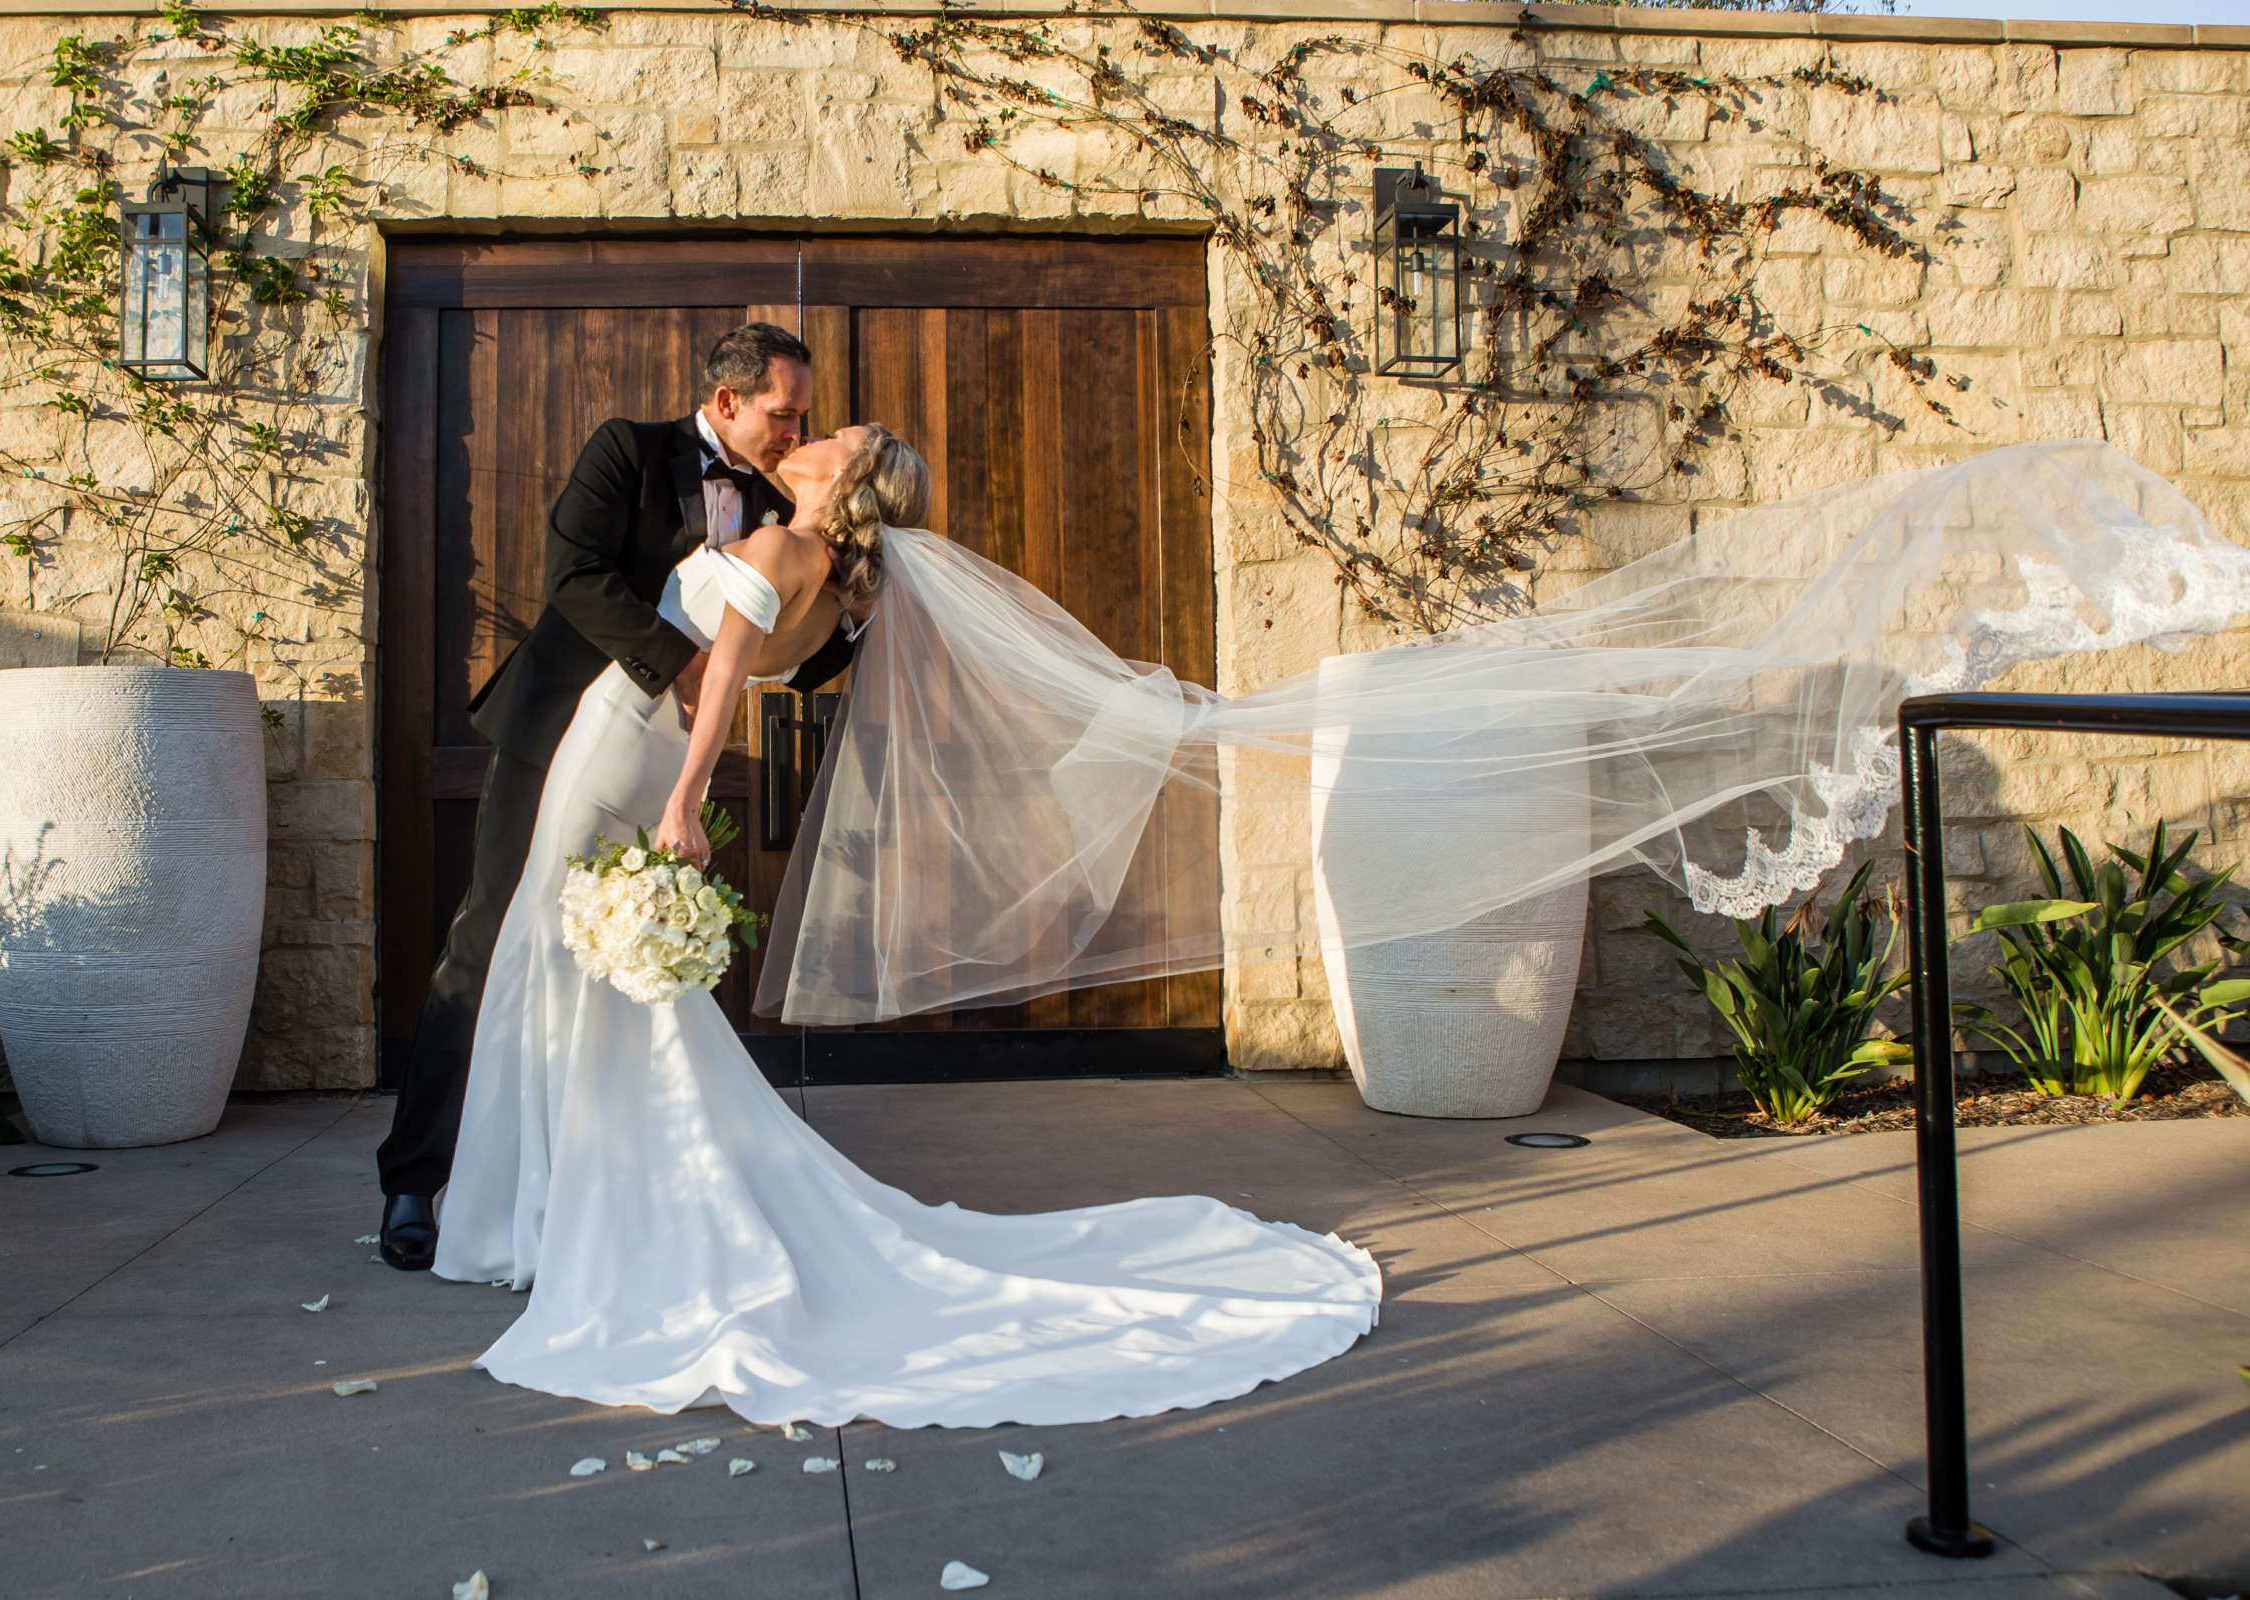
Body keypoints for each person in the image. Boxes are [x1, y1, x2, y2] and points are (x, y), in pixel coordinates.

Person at [431, 430, 2250, 1428]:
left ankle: (562, 1218)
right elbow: (741, 661)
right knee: (579, 998)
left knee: (579, 983)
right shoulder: (811, 553)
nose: (814, 432)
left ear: (828, 494)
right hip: (618, 749)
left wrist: (677, 822)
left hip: (627, 767)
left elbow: (724, 686)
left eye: (827, 439)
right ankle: (548, 1206)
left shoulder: (775, 560)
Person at [374, 322, 857, 1272]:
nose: (797, 435)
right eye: (783, 414)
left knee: (627, 959)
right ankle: (414, 1181)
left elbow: (784, 649)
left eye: (805, 419)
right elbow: (576, 579)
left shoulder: (777, 506)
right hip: (560, 730)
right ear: (726, 401)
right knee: (490, 937)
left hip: (655, 759)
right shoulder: (628, 452)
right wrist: (677, 662)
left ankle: (601, 1183)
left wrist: (864, 620)